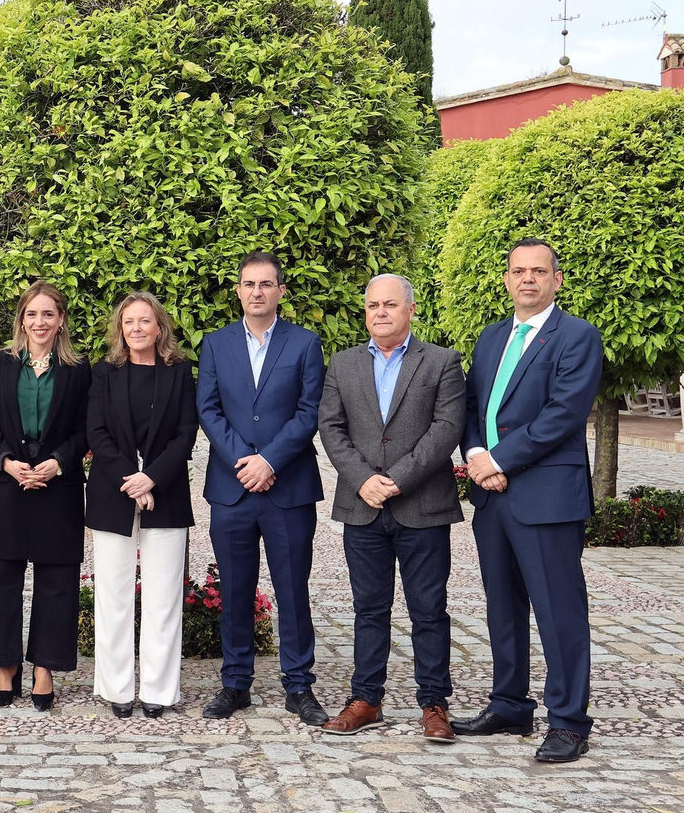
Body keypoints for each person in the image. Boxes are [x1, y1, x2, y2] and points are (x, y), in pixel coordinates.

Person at [453, 238, 602, 763]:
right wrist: (474, 452)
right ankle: (511, 703)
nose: (528, 280)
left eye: (539, 271)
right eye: (519, 271)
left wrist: (498, 460)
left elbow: (563, 414)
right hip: (492, 496)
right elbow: (472, 405)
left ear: (557, 280)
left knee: (558, 610)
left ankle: (568, 721)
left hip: (545, 495)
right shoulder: (492, 338)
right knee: (503, 605)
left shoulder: (577, 336)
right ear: (507, 278)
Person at [317, 274, 465, 742]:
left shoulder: (442, 362)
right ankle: (366, 699)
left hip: (422, 505)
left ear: (411, 310)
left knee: (429, 609)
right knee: (368, 609)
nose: (380, 312)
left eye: (390, 305)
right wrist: (364, 479)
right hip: (361, 506)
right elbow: (331, 428)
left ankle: (434, 704)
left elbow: (446, 429)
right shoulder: (342, 364)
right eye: (373, 305)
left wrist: (396, 480)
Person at [196, 251, 328, 725]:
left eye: (266, 284)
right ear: (238, 290)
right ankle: (235, 684)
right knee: (235, 589)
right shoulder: (215, 344)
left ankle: (299, 686)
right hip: (231, 489)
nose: (257, 292)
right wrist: (243, 462)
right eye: (249, 284)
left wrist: (269, 460)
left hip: (288, 488)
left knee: (293, 588)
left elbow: (309, 412)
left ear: (280, 291)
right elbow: (208, 410)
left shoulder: (306, 344)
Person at [0, 281, 91, 712]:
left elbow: (86, 428)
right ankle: (7, 667)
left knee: (57, 582)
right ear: (21, 320)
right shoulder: (1, 364)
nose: (39, 322)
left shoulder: (80, 370)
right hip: (9, 484)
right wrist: (7, 461)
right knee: (3, 580)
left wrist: (58, 461)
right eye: (32, 314)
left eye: (48, 314)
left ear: (61, 320)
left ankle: (45, 668)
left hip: (57, 486)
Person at [85, 292, 198, 719]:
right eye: (129, 321)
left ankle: (159, 691)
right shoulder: (104, 373)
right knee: (112, 595)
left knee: (163, 597)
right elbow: (96, 433)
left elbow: (185, 434)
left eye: (144, 321)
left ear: (159, 327)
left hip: (165, 493)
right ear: (121, 328)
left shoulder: (180, 372)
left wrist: (152, 477)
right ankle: (116, 688)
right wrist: (132, 483)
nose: (137, 328)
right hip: (112, 494)